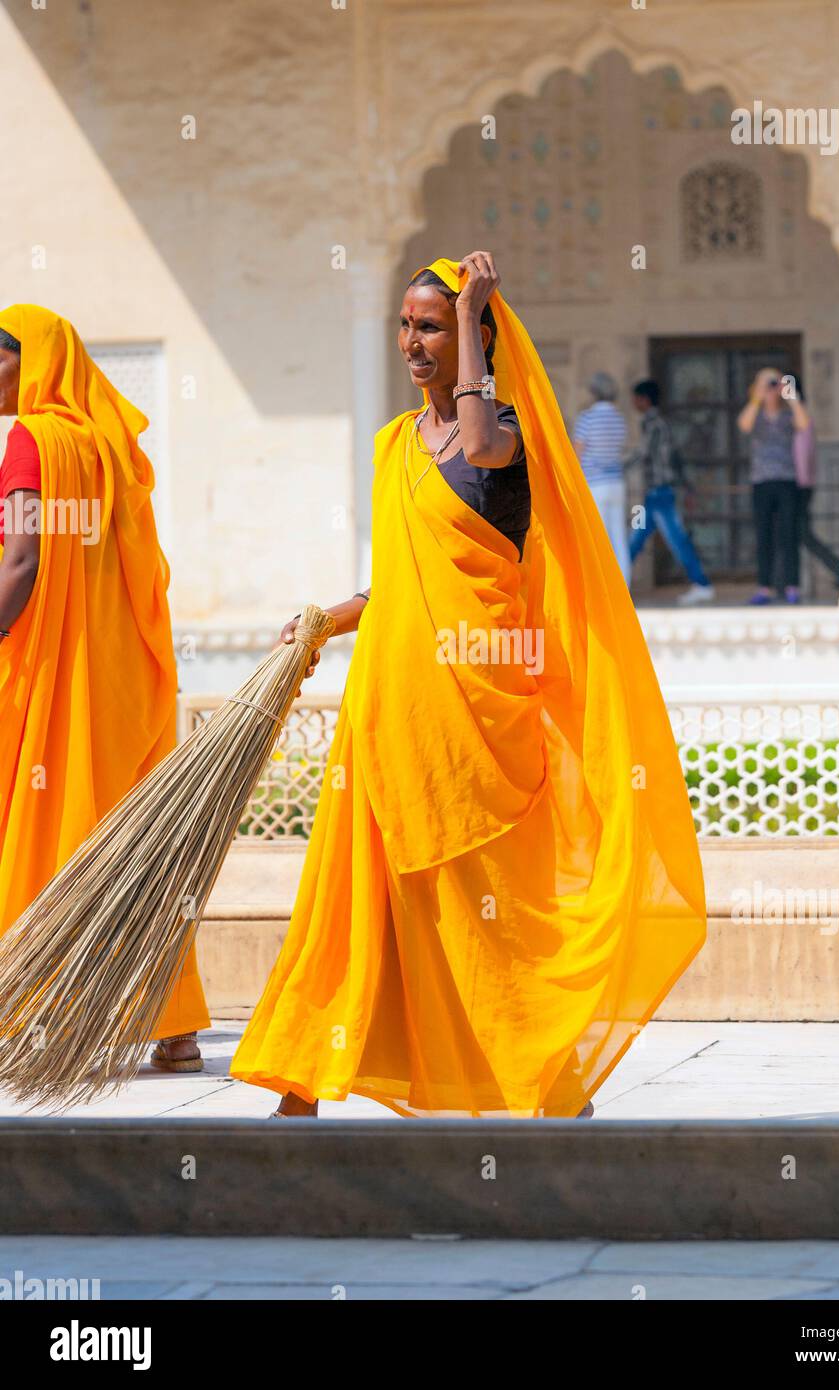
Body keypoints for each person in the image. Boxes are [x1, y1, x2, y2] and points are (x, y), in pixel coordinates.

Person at [231, 253, 705, 1119]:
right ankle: (303, 1082)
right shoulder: (392, 447)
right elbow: (394, 587)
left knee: (488, 914)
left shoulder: (508, 436)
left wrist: (480, 313)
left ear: (476, 339)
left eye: (434, 327)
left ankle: (544, 1078)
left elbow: (479, 445)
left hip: (478, 714)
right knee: (359, 902)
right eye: (407, 326)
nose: (413, 344)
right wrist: (318, 625)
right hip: (390, 705)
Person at [0, 305, 209, 1072]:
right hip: (125, 682)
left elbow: (19, 563)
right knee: (134, 848)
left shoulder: (32, 442)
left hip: (51, 677)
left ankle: (35, 1009)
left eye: (0, 357)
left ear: (39, 366)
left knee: (47, 832)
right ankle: (174, 1027)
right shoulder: (110, 449)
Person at [626, 379, 714, 605]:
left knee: (675, 541)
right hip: (657, 494)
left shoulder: (653, 423)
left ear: (644, 400)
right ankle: (615, 586)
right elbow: (675, 458)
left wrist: (614, 469)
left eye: (636, 399)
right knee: (635, 541)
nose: (634, 403)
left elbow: (642, 452)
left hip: (660, 493)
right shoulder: (659, 423)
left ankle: (702, 584)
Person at [737, 367, 810, 605]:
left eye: (773, 384)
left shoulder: (788, 414)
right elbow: (744, 425)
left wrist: (790, 395)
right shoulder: (755, 414)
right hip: (761, 481)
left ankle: (792, 586)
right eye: (766, 384)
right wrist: (758, 397)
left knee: (789, 534)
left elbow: (803, 423)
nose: (770, 389)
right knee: (764, 536)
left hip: (787, 480)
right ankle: (764, 587)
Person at [571, 372, 631, 581]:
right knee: (619, 537)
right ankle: (624, 585)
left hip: (595, 483)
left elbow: (577, 452)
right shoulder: (619, 418)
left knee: (599, 538)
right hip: (616, 482)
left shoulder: (587, 418)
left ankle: (604, 586)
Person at [792, 381, 839, 589]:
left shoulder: (799, 417)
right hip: (796, 483)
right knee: (793, 535)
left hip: (799, 485)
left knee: (803, 535)